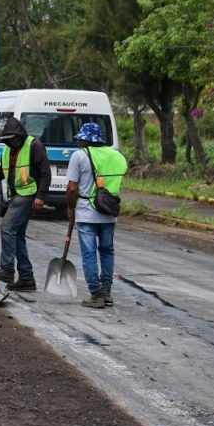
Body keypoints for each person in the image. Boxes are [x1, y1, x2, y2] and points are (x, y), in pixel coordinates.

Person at [0, 117, 51, 292]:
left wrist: (41, 196)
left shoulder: (34, 146)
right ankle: (26, 278)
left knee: (7, 228)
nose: (11, 142)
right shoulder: (8, 150)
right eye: (8, 140)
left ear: (21, 136)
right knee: (16, 236)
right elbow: (1, 173)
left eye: (14, 139)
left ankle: (7, 269)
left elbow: (45, 173)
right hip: (17, 194)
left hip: (28, 193)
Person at [66, 122, 128, 309]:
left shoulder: (80, 156)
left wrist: (70, 208)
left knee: (89, 254)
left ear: (85, 139)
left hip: (87, 212)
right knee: (107, 251)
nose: (79, 142)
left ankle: (96, 293)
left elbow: (72, 187)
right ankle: (107, 291)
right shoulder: (118, 156)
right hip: (109, 211)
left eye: (81, 139)